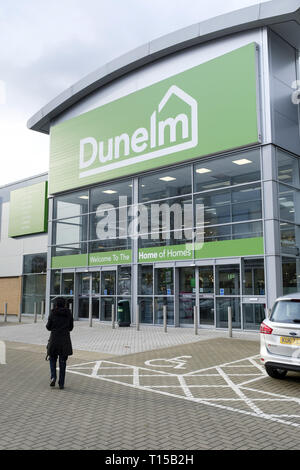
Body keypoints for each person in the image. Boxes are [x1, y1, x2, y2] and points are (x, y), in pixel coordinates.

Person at [46, 297, 73, 389]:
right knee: (63, 362)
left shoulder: (53, 312)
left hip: (54, 339)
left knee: (52, 359)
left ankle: (53, 377)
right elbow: (71, 327)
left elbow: (48, 327)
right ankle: (61, 383)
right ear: (65, 304)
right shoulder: (68, 313)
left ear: (56, 304)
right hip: (65, 340)